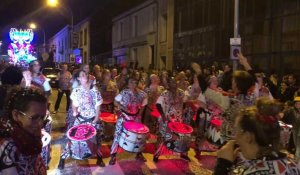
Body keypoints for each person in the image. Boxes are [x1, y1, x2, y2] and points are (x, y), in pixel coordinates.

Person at [214, 98, 300, 174]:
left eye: (236, 131)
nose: (235, 137)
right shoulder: (294, 165)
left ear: (248, 136)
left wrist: (223, 165)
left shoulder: (255, 172)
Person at [58, 70, 105, 169]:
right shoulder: (76, 90)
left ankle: (99, 158)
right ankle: (62, 158)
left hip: (93, 120)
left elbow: (98, 106)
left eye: (86, 74)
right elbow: (74, 104)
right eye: (82, 75)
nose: (86, 76)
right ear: (79, 79)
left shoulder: (95, 90)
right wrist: (75, 111)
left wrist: (96, 118)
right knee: (72, 140)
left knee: (97, 140)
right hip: (80, 120)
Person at [0, 87, 48, 174]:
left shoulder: (29, 139)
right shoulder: (6, 149)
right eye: (34, 118)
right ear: (16, 115)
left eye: (43, 118)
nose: (40, 124)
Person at [109, 77, 148, 165]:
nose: (133, 85)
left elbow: (143, 105)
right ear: (128, 84)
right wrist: (122, 107)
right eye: (131, 83)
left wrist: (139, 114)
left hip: (136, 117)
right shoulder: (124, 92)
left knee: (139, 136)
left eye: (135, 82)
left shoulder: (142, 94)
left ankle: (139, 153)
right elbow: (115, 101)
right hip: (124, 117)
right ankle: (113, 155)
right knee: (118, 135)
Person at [153, 77, 191, 162]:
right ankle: (157, 154)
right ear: (169, 84)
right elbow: (158, 104)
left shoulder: (181, 92)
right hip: (167, 120)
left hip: (178, 120)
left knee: (182, 137)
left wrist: (183, 111)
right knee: (164, 138)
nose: (174, 84)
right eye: (172, 82)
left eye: (175, 82)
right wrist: (163, 115)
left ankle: (183, 154)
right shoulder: (165, 93)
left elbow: (185, 103)